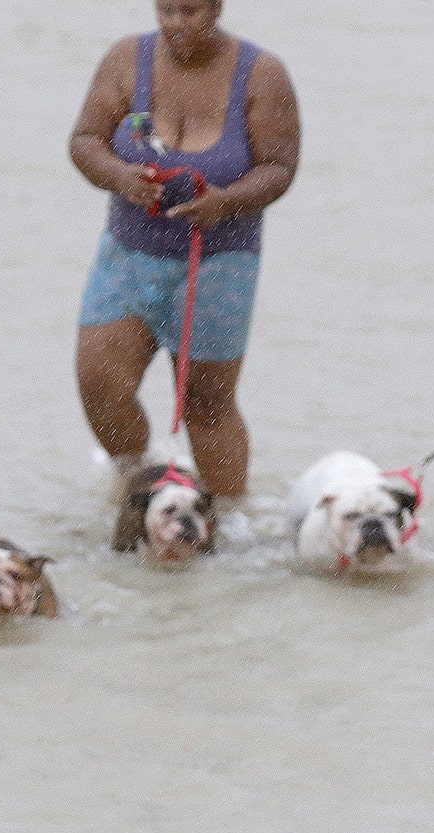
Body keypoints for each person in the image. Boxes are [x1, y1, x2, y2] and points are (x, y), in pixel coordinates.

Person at [69, 0, 299, 512]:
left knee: (206, 403)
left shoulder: (262, 73)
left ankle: (230, 519)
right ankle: (138, 483)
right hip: (129, 258)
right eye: (166, 10)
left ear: (217, 6)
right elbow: (85, 140)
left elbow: (280, 166)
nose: (175, 24)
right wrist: (118, 176)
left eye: (190, 11)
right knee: (99, 383)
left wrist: (230, 201)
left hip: (221, 265)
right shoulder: (126, 59)